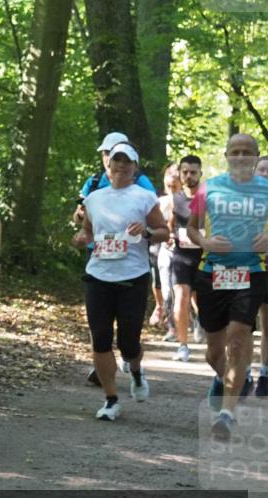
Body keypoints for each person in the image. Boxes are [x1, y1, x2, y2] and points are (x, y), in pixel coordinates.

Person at [72, 142, 169, 421]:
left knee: (128, 343)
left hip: (133, 276)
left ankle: (136, 372)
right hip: (98, 275)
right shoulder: (94, 198)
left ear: (134, 168)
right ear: (109, 164)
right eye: (117, 161)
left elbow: (164, 231)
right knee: (100, 339)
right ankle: (111, 399)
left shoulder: (144, 197)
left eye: (127, 162)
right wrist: (80, 240)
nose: (121, 166)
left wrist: (147, 231)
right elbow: (87, 232)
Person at [187, 134, 268, 440]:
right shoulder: (209, 188)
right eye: (235, 151)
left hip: (251, 271)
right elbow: (191, 228)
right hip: (212, 273)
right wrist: (206, 242)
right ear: (226, 156)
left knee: (237, 338)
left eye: (248, 152)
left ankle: (227, 413)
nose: (241, 156)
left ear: (257, 157)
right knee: (213, 352)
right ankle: (233, 382)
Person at [169, 155, 205, 362]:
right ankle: (183, 345)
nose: (189, 176)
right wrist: (169, 235)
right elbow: (169, 224)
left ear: (200, 173)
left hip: (204, 257)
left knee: (203, 303)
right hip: (181, 256)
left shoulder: (208, 198)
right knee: (181, 298)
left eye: (193, 172)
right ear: (180, 174)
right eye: (185, 172)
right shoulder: (175, 198)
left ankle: (201, 320)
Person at [152, 163, 180, 332]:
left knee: (189, 293)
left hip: (187, 252)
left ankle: (198, 321)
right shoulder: (158, 203)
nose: (172, 181)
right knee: (166, 289)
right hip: (163, 250)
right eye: (169, 177)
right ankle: (172, 326)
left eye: (176, 178)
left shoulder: (191, 202)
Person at [257, 155, 268, 395]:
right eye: (262, 170)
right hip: (245, 269)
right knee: (240, 327)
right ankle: (240, 373)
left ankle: (264, 373)